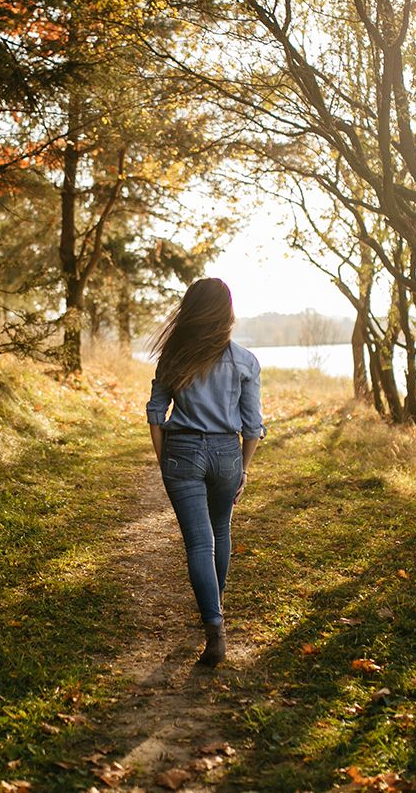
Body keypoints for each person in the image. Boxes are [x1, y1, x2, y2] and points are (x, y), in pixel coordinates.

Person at [146, 278, 265, 667]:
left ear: (190, 311)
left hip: (181, 451)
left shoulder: (173, 358)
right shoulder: (245, 361)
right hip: (227, 454)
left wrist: (166, 460)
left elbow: (155, 414)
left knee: (199, 543)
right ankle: (216, 606)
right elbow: (252, 427)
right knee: (220, 532)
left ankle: (214, 628)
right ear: (226, 313)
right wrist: (243, 469)